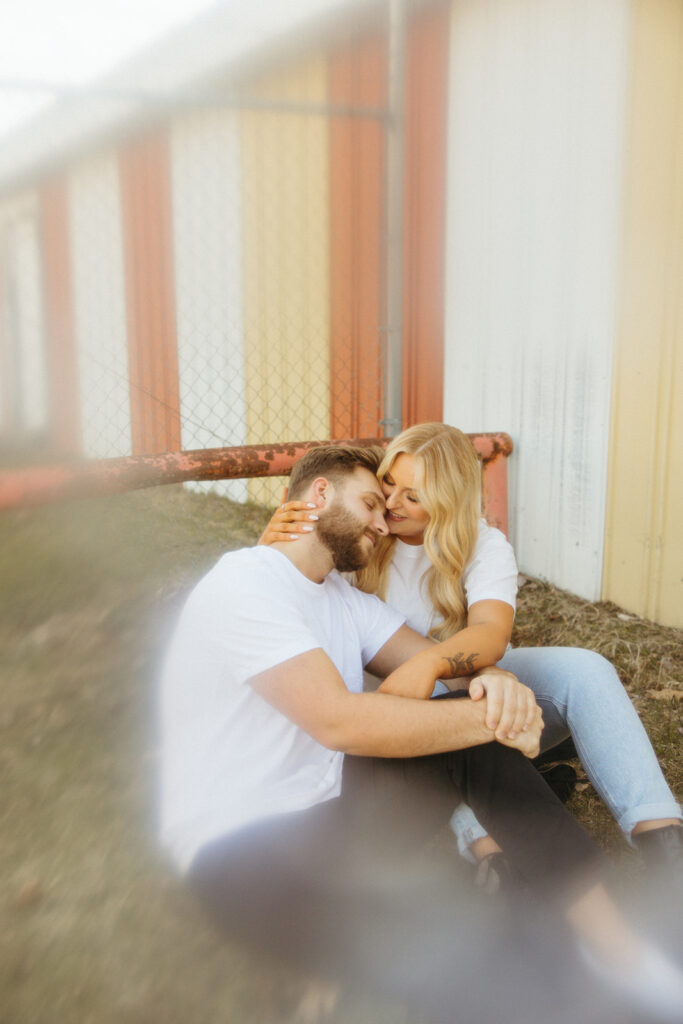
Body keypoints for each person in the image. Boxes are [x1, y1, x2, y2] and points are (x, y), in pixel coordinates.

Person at [160, 444, 683, 1023]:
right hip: (239, 847)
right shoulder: (246, 584)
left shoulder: (342, 600)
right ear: (321, 495)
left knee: (473, 739)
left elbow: (438, 659)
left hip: (325, 810)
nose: (384, 523)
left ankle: (623, 957)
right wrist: (495, 715)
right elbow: (338, 721)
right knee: (460, 966)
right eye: (372, 504)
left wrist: (494, 681)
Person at [261, 424, 683, 882]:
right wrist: (271, 548)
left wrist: (429, 663)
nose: (391, 503)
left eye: (414, 496)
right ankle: (491, 852)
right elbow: (291, 589)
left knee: (587, 672)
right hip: (383, 712)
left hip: (467, 683)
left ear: (447, 503)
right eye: (388, 483)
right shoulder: (361, 535)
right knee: (447, 710)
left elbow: (489, 634)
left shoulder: (483, 545)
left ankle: (664, 841)